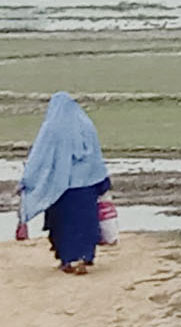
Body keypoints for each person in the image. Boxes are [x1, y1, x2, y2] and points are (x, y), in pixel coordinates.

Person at [14, 91, 114, 273]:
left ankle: (68, 260)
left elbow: (39, 158)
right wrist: (102, 182)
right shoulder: (87, 126)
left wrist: (27, 180)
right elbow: (96, 157)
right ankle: (85, 257)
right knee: (86, 223)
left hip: (60, 188)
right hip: (87, 185)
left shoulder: (51, 129)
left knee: (63, 224)